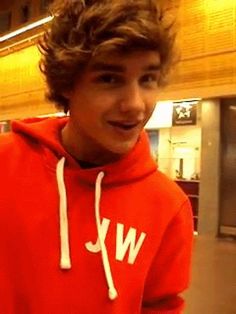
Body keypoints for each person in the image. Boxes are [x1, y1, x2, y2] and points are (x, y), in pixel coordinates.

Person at [0, 0, 193, 313]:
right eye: (109, 78)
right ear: (67, 85)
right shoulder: (5, 165)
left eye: (147, 79)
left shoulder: (169, 206)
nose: (135, 104)